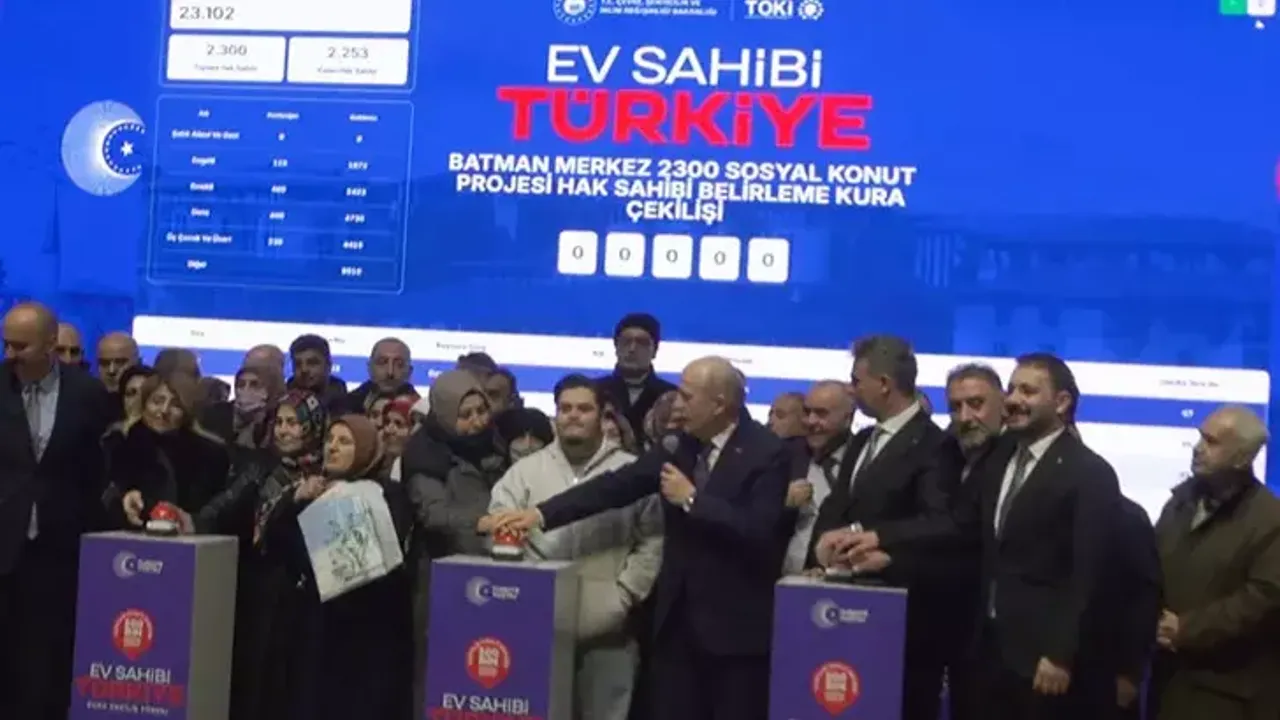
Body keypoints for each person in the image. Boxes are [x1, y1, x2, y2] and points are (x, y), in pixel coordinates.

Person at [485, 356, 791, 720]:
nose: (677, 405)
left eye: (687, 396)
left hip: (734, 633)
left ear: (719, 404)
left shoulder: (766, 451)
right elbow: (617, 486)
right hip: (676, 630)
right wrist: (541, 514)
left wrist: (693, 500)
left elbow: (759, 531)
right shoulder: (680, 445)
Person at [843, 352, 1121, 720]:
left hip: (1043, 659)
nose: (1014, 400)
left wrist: (1060, 654)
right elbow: (961, 527)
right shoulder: (1000, 460)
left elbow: (1090, 574)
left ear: (1062, 402)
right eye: (1013, 389)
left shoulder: (1090, 473)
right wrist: (882, 540)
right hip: (989, 653)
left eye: (1028, 391)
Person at [489, 374, 662, 720]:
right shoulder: (524, 472)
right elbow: (499, 528)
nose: (573, 416)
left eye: (584, 409)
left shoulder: (630, 473)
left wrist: (625, 595)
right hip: (535, 629)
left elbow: (653, 540)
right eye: (565, 408)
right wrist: (523, 596)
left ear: (602, 415)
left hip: (610, 632)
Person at [806, 336, 957, 720]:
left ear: (885, 383)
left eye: (857, 381)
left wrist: (878, 539)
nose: (852, 390)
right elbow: (837, 504)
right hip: (845, 616)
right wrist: (822, 544)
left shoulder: (935, 445)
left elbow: (939, 522)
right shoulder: (861, 441)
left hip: (905, 622)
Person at [259, 414, 414, 720]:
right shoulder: (310, 491)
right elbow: (278, 548)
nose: (332, 447)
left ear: (366, 448)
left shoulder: (387, 494)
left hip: (370, 631)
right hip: (318, 629)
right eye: (330, 440)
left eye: (345, 441)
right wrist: (294, 500)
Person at [0, 302, 112, 720]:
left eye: (21, 346)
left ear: (51, 345)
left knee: (47, 665)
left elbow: (99, 468)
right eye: (6, 344)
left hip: (60, 550)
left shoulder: (88, 394)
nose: (10, 354)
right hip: (3, 545)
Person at [1149, 405, 1280, 720]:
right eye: (1200, 437)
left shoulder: (1269, 518)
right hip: (1167, 678)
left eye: (1212, 442)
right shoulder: (1181, 501)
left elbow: (1263, 598)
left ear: (1243, 458)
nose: (1198, 448)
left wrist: (1186, 629)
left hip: (1227, 692)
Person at [401, 369, 508, 714]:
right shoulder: (424, 452)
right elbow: (432, 513)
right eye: (465, 415)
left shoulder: (495, 442)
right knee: (440, 670)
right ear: (446, 414)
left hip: (492, 571)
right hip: (440, 575)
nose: (477, 422)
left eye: (482, 410)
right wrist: (481, 522)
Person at [108, 372, 230, 529]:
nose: (164, 410)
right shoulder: (119, 445)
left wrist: (194, 522)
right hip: (130, 536)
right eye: (157, 401)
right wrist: (124, 498)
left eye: (175, 405)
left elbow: (217, 511)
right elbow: (104, 497)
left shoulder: (212, 454)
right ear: (144, 404)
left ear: (186, 412)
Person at [597, 313, 678, 435]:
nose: (632, 349)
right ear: (616, 347)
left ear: (655, 350)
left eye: (642, 343)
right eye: (626, 341)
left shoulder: (672, 396)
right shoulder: (595, 392)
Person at [347, 338, 415, 414]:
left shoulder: (421, 411)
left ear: (409, 371)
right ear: (370, 367)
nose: (390, 372)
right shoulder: (346, 406)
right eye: (382, 362)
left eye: (399, 364)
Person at [287, 334, 348, 410]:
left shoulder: (350, 407)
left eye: (312, 363)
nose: (304, 369)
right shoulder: (281, 403)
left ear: (328, 365)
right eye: (298, 364)